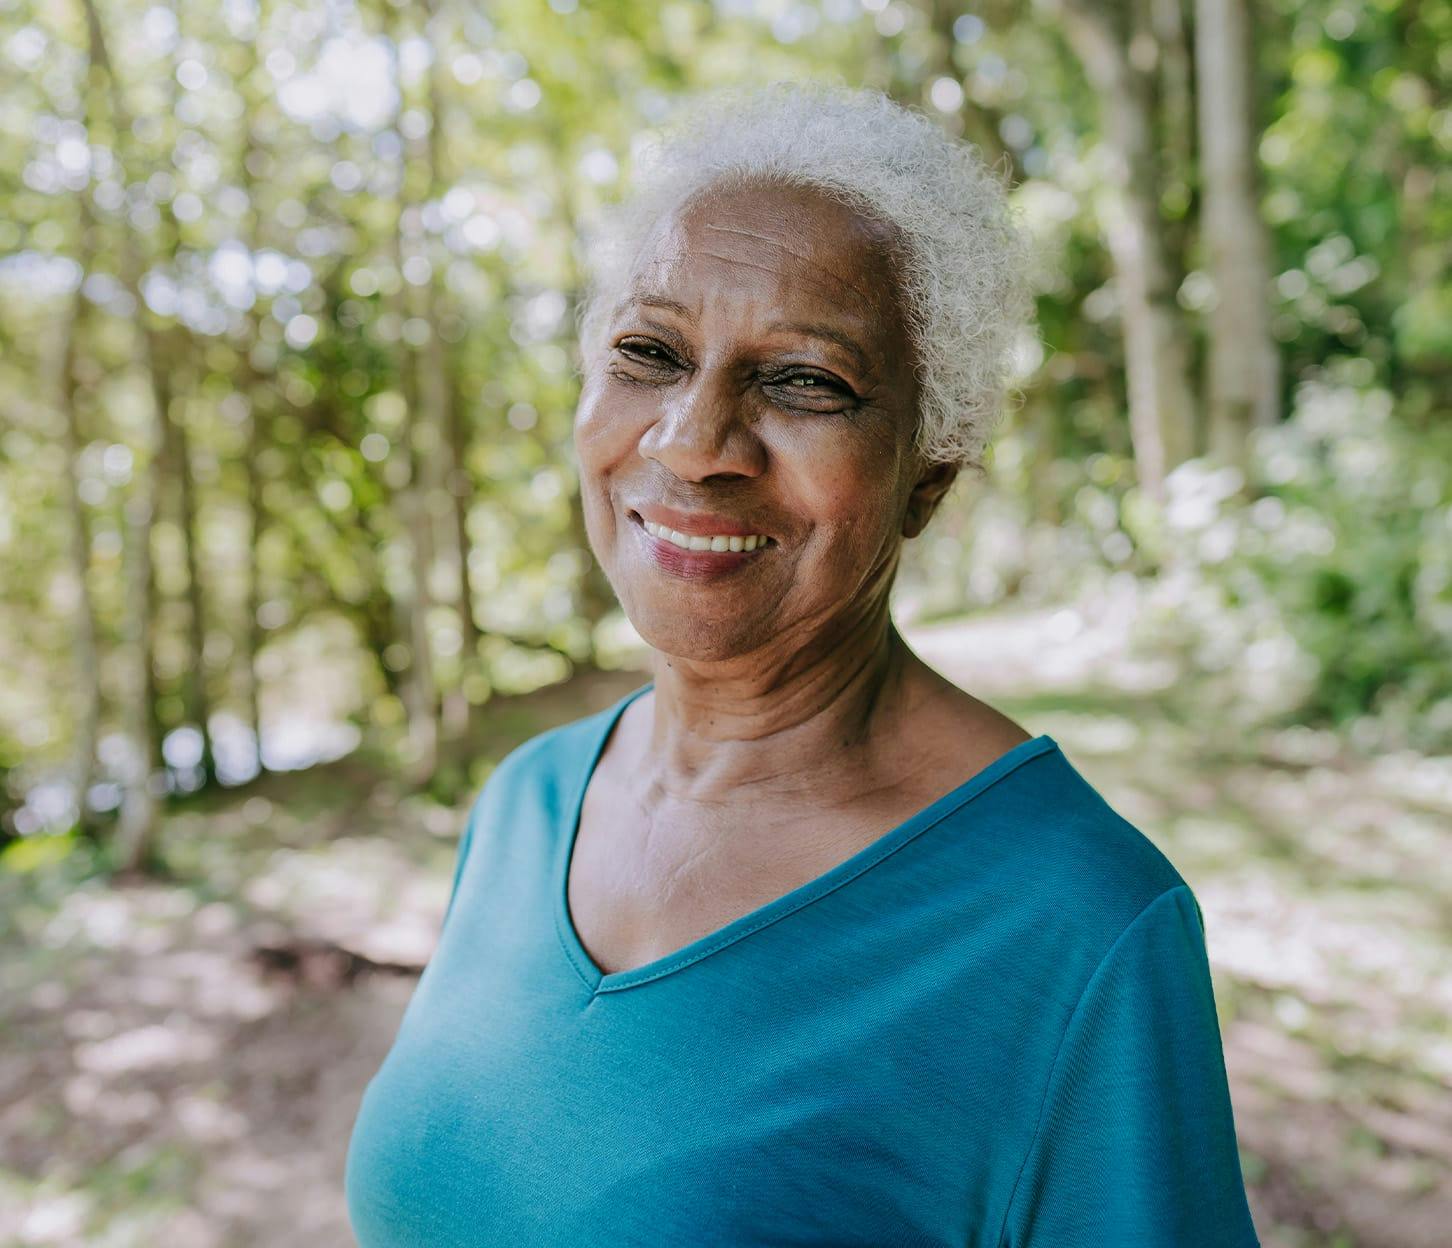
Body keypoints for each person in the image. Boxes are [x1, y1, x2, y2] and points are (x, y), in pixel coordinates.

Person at [345, 82, 1261, 1247]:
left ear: (927, 471)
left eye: (804, 382)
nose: (693, 441)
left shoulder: (1074, 924)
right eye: (649, 352)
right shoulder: (525, 804)